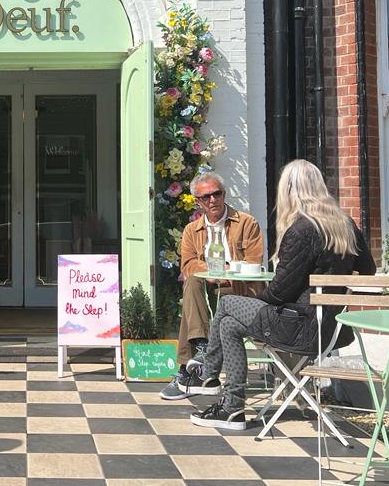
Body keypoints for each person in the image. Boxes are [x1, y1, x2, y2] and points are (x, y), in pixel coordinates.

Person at [187, 159, 376, 430]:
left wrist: (253, 304)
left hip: (300, 327)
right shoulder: (344, 224)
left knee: (228, 303)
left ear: (289, 190)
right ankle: (231, 408)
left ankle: (207, 376)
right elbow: (367, 269)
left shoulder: (301, 230)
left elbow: (279, 291)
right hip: (332, 328)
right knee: (228, 323)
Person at [159, 172, 264, 400]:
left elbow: (254, 263)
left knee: (192, 296)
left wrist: (225, 272)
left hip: (239, 290)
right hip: (206, 289)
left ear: (224, 194)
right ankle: (202, 346)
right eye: (206, 197)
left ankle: (187, 369)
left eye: (217, 194)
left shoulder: (247, 223)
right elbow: (187, 265)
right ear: (198, 201)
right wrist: (209, 273)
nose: (212, 200)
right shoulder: (191, 231)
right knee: (193, 282)